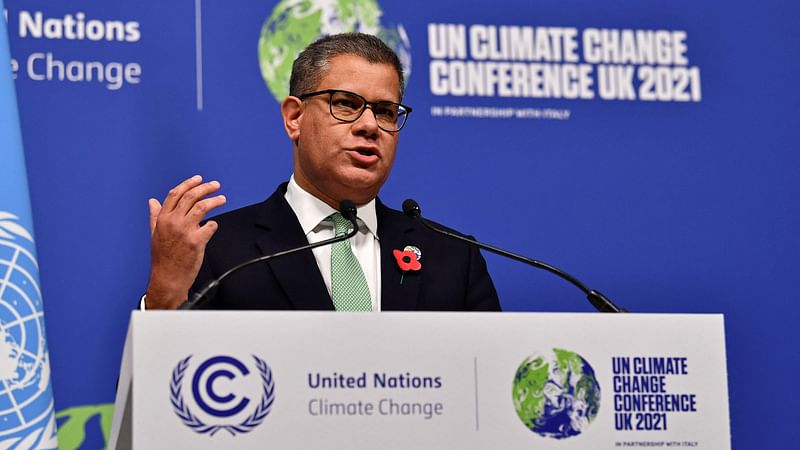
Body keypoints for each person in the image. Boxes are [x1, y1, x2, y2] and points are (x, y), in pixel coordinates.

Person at [143, 33, 500, 311]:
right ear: (294, 118)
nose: (369, 126)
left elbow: (489, 388)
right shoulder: (219, 251)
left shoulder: (453, 257)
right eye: (346, 104)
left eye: (386, 111)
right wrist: (166, 295)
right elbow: (153, 399)